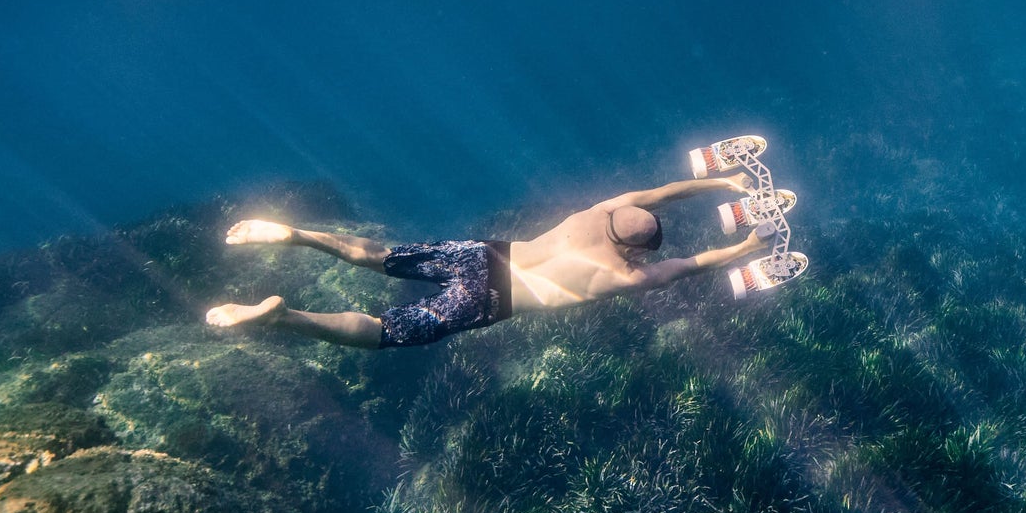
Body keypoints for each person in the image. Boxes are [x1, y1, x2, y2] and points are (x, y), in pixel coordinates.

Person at [204, 171, 776, 349]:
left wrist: (720, 182)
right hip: (488, 301)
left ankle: (296, 235)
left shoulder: (602, 209)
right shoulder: (622, 274)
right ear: (634, 248)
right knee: (384, 332)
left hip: (482, 255)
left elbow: (662, 193)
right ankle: (284, 318)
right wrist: (746, 248)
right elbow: (691, 266)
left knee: (380, 255)